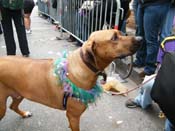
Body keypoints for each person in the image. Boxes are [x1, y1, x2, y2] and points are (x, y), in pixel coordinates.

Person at [133, 0, 170, 76]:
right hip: (142, 3)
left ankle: (150, 68)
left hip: (156, 4)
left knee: (150, 39)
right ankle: (140, 60)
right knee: (140, 34)